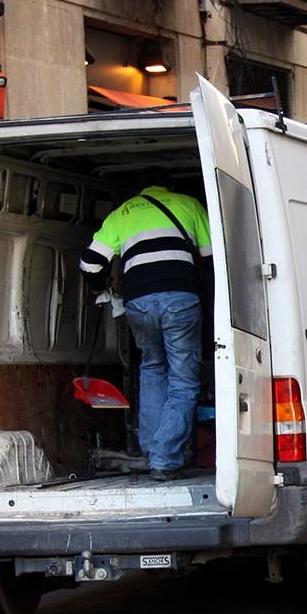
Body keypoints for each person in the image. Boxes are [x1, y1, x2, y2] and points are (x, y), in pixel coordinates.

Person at [80, 182, 212, 480]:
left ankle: (152, 452)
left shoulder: (121, 213)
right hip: (180, 299)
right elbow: (210, 253)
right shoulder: (187, 203)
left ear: (140, 191)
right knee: (183, 381)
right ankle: (164, 459)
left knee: (152, 368)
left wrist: (99, 288)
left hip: (138, 302)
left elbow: (90, 263)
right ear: (166, 187)